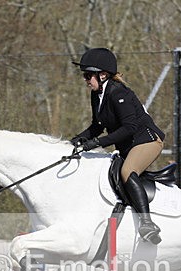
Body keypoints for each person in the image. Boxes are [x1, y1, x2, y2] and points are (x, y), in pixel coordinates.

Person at [70, 47, 166, 244]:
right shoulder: (97, 95)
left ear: (103, 75)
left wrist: (97, 143)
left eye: (89, 75)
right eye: (85, 75)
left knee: (127, 171)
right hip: (128, 145)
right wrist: (75, 140)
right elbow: (97, 126)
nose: (86, 79)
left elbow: (130, 127)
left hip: (147, 140)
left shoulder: (118, 93)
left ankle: (147, 224)